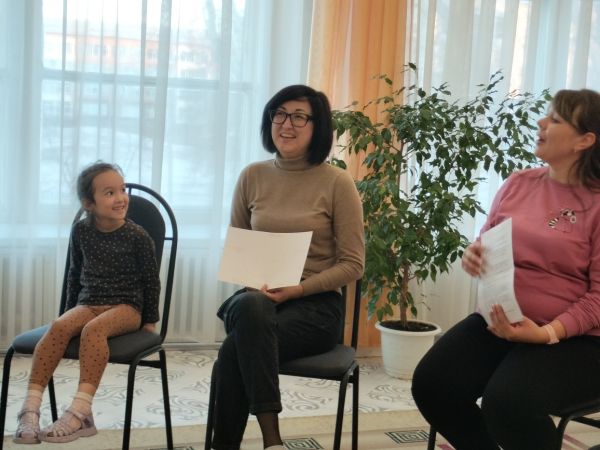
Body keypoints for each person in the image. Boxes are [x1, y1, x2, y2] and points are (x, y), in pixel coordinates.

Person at [411, 88, 600, 450]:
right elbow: (486, 240)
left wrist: (545, 334)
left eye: (556, 119)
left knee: (508, 402)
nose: (541, 122)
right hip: (503, 321)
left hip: (577, 341)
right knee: (433, 384)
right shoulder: (518, 183)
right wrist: (474, 255)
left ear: (584, 141)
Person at [210, 84, 365, 450]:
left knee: (233, 352)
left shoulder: (337, 182)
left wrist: (297, 290)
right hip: (257, 300)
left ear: (318, 126)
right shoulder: (252, 176)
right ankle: (273, 443)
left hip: (316, 308)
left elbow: (353, 264)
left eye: (298, 116)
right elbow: (240, 248)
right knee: (252, 306)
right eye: (279, 114)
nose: (286, 124)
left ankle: (248, 443)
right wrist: (256, 284)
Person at [14, 162, 160, 444]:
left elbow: (151, 282)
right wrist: (68, 315)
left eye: (122, 190)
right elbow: (74, 274)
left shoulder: (138, 236)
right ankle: (29, 409)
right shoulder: (81, 231)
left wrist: (150, 321)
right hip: (89, 303)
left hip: (126, 307)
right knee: (58, 326)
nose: (121, 198)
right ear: (88, 203)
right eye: (110, 193)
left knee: (94, 330)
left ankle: (81, 412)